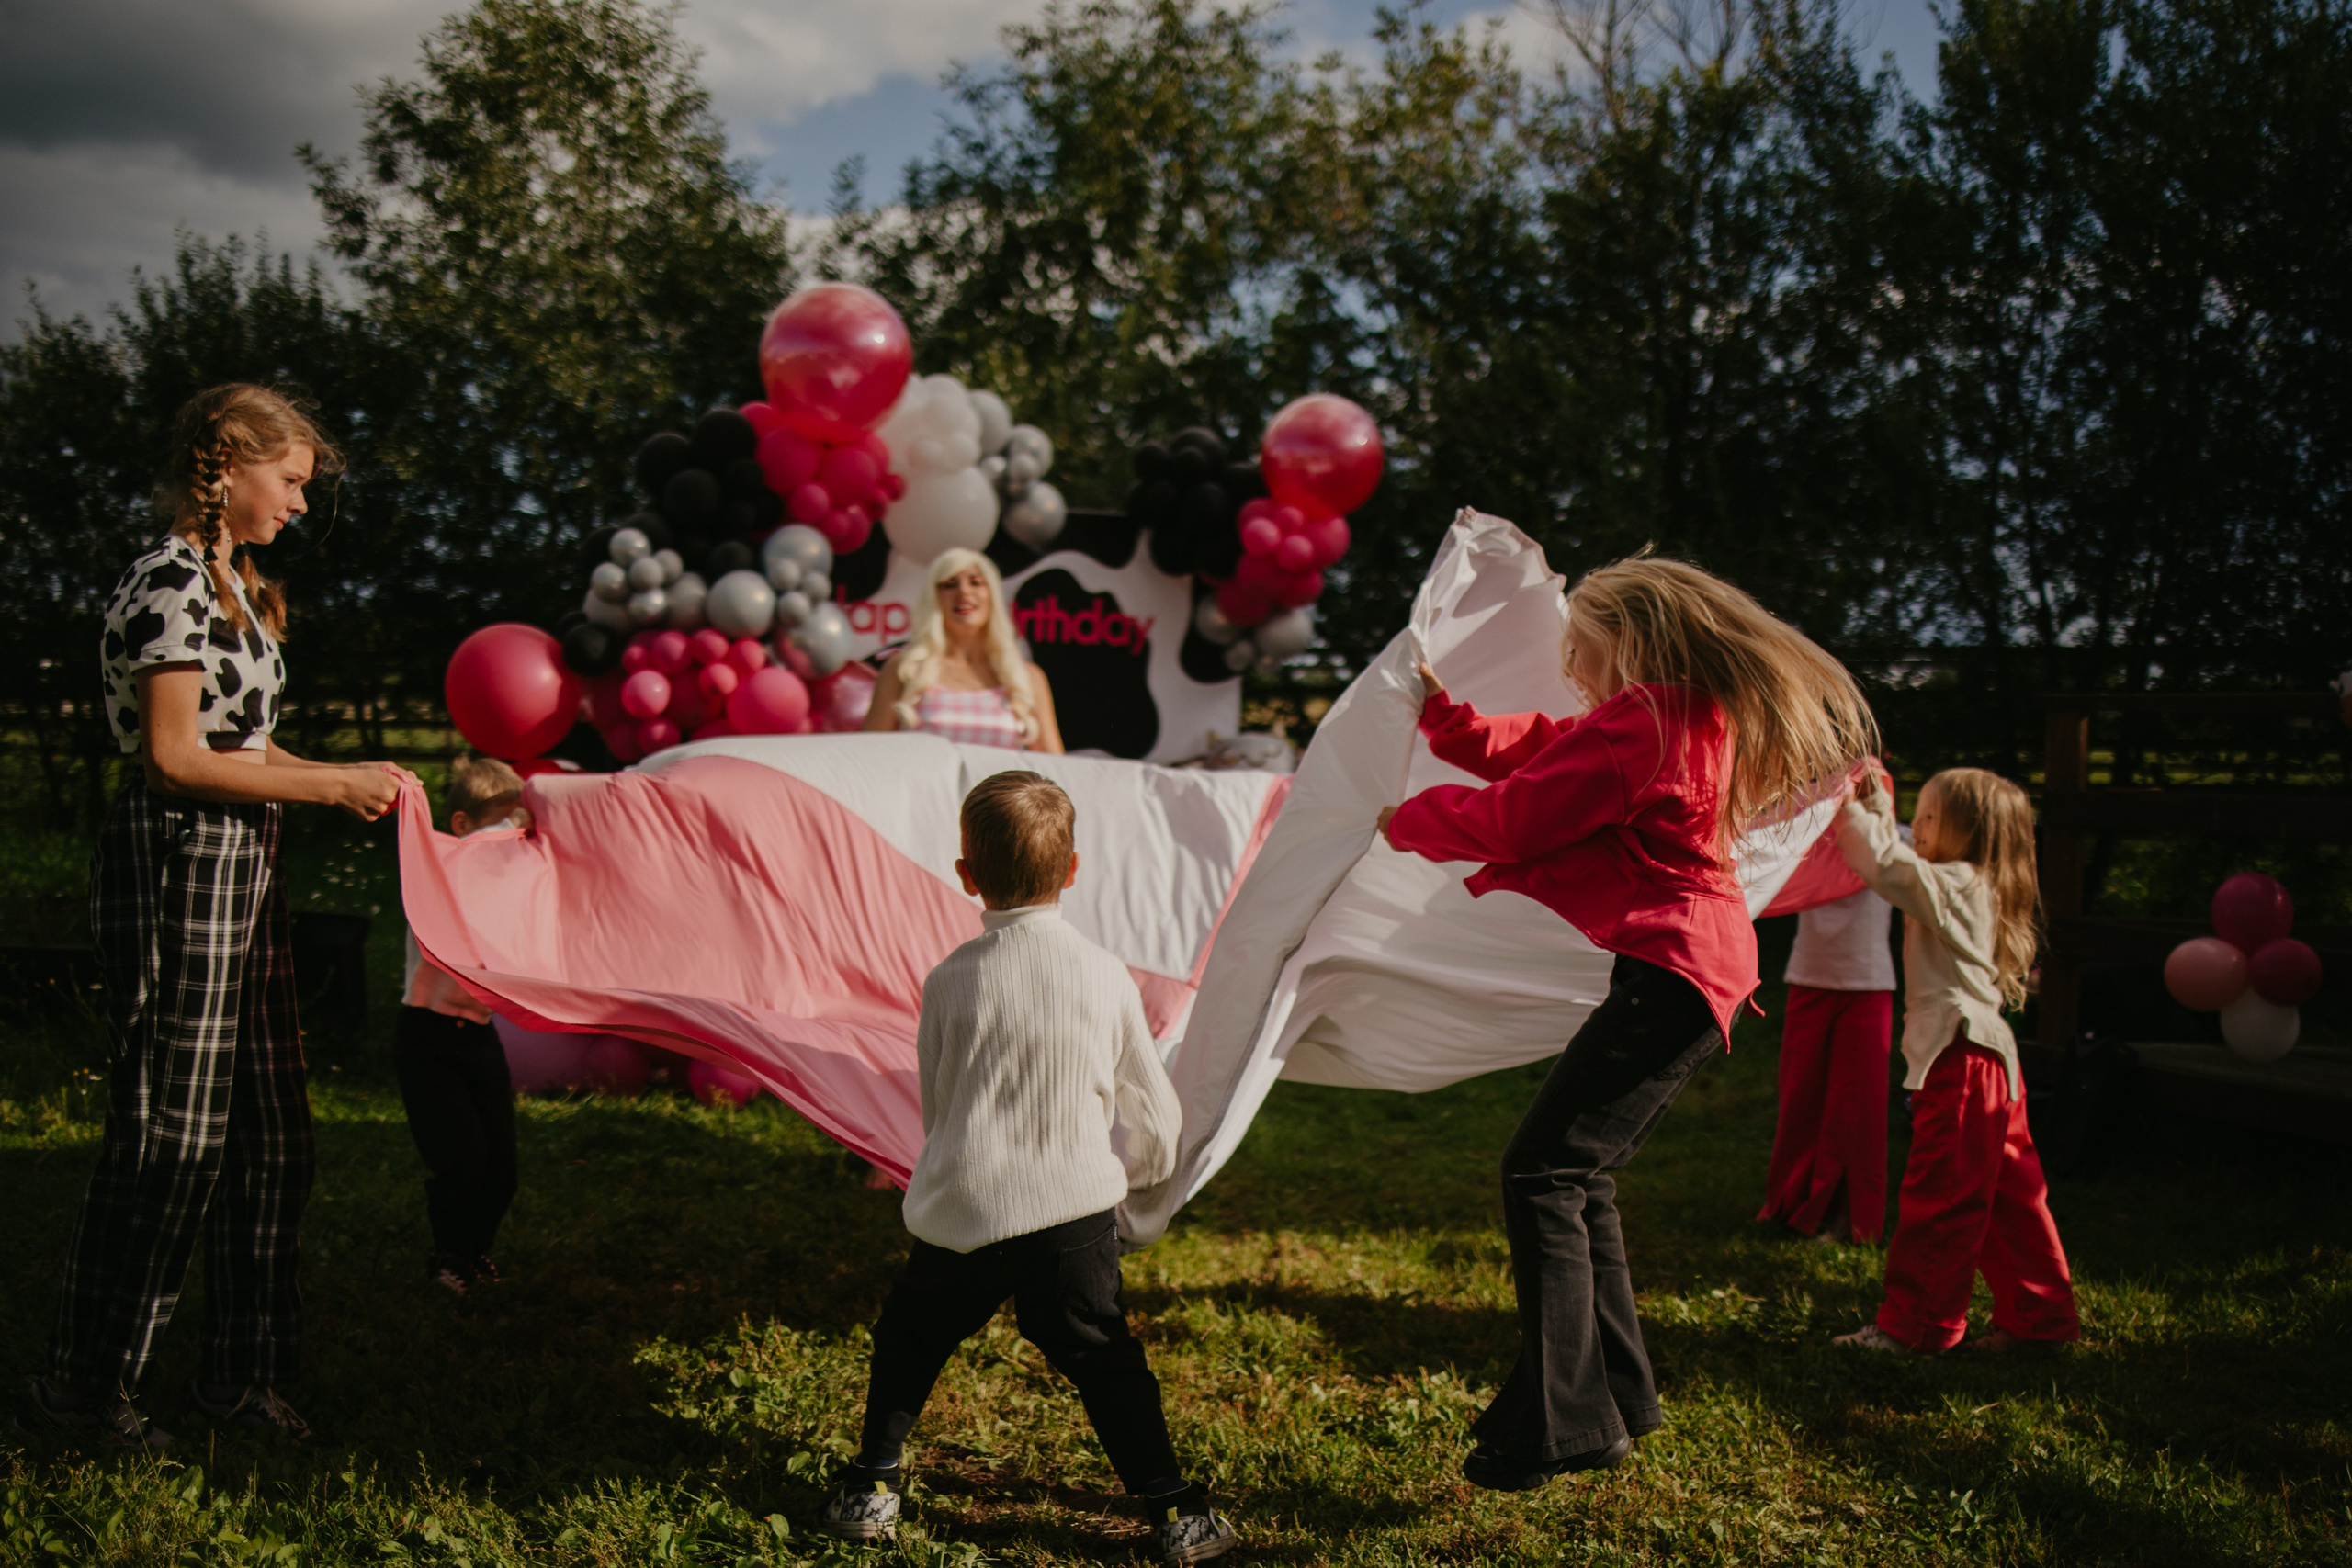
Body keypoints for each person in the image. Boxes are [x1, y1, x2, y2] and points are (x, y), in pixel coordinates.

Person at [1378, 554, 1875, 1492]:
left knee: (1541, 1172)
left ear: (1629, 640)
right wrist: (1448, 724)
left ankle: (1565, 1422)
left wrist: (1404, 820)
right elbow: (1549, 750)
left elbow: (1519, 818)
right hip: (1691, 971)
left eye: (1580, 648)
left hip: (1674, 974)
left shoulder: (1647, 719)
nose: (1571, 667)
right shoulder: (1681, 714)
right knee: (1580, 1177)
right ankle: (1615, 1392)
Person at [24, 384, 402, 1450]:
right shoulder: (167, 583)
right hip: (180, 863)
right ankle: (81, 1392)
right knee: (169, 1140)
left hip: (248, 864)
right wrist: (325, 789)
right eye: (288, 483)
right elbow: (177, 759)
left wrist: (344, 775)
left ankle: (240, 1380)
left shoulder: (238, 586)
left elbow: (249, 753)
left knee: (271, 1138)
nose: (296, 505)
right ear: (227, 463)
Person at [818, 772, 1235, 1566]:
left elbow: (938, 1104)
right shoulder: (1106, 973)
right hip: (1073, 1214)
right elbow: (1157, 1112)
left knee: (910, 1338)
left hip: (962, 1206)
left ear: (966, 876)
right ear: (1074, 869)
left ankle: (872, 1484)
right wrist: (1141, 1207)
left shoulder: (948, 979)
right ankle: (1175, 1509)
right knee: (1105, 1356)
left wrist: (953, 1170)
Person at [1831, 768, 2080, 1356]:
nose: (1916, 825)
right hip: (1989, 1061)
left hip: (1962, 1059)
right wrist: (1877, 805)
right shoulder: (1976, 884)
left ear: (1969, 833)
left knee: (1942, 1195)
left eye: (1931, 817)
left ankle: (1914, 1326)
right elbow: (1898, 859)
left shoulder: (1959, 883)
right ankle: (2038, 1319)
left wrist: (1853, 808)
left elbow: (1888, 868)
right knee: (2011, 1200)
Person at [397, 755, 528, 1297]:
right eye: (498, 826)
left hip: (478, 1035)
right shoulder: (439, 873)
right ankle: (447, 1258)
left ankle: (474, 1253)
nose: (507, 841)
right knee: (462, 1158)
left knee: (501, 1165)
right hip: (426, 1037)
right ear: (461, 829)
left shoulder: (507, 885)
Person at [1757, 838, 1901, 1245]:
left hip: (1867, 981)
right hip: (1809, 975)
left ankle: (1851, 1219)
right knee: (1801, 1098)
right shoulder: (1805, 832)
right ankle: (1789, 1203)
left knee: (1855, 1108)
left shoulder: (1891, 836)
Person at [864, 547, 1064, 752]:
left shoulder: (1028, 677)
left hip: (999, 785)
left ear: (992, 596)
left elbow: (1055, 765)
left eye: (976, 582)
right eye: (950, 585)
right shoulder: (904, 669)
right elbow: (868, 753)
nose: (964, 592)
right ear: (934, 598)